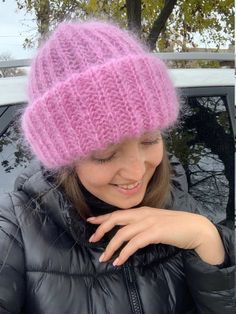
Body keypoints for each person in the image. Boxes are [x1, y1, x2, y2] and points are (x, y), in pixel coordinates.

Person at [0, 20, 235, 314]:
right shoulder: (15, 231)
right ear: (66, 159)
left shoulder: (179, 201)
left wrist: (207, 238)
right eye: (105, 154)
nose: (137, 173)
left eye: (149, 140)